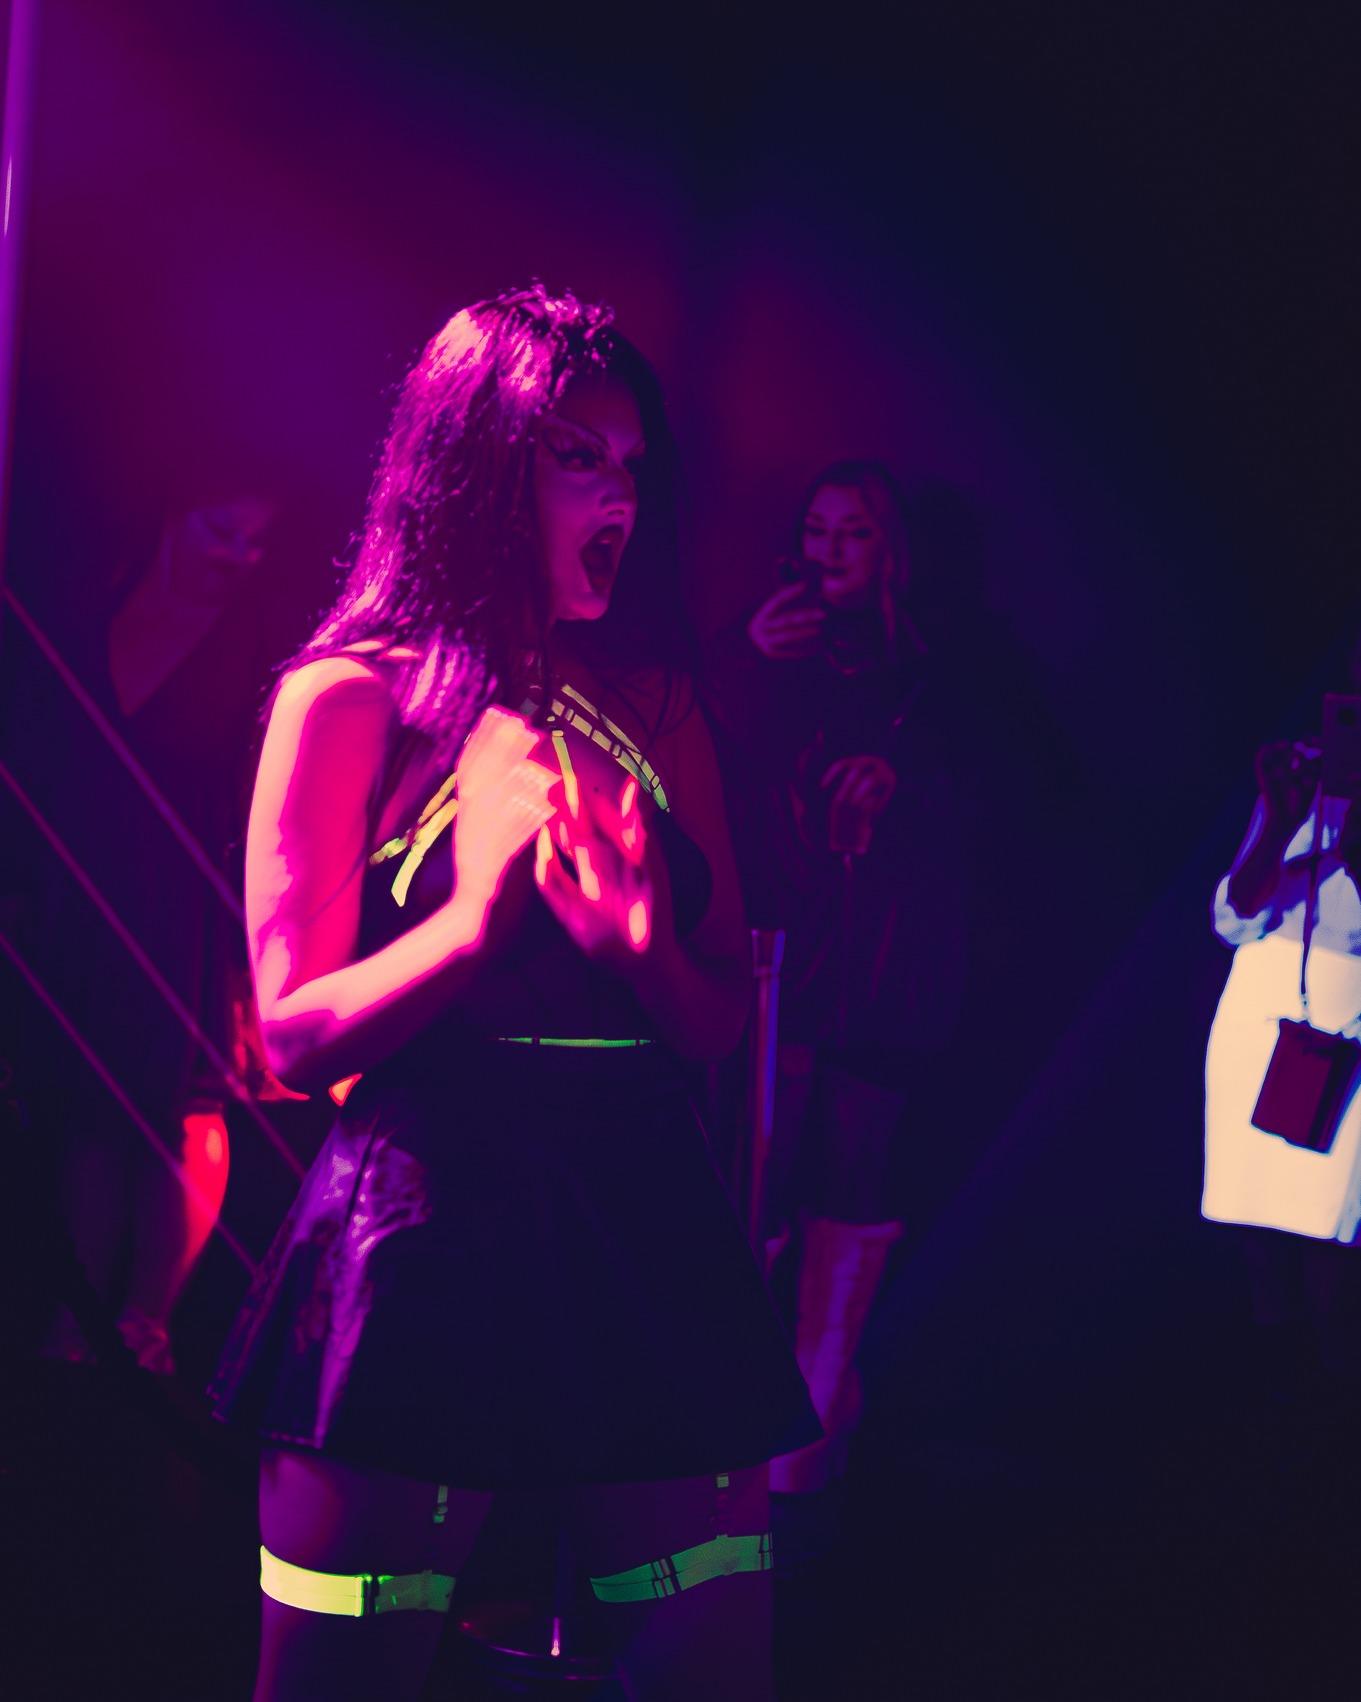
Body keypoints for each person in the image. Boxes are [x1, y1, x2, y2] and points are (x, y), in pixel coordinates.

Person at [207, 285, 819, 1702]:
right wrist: (471, 927)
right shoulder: (347, 696)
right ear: (477, 467)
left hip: (642, 1203)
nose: (620, 496)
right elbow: (291, 1030)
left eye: (632, 464)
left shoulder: (659, 702)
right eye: (577, 457)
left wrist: (639, 953)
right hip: (426, 1217)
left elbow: (715, 1018)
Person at [706, 461, 965, 1504]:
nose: (826, 553)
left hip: (888, 951)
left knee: (853, 1171)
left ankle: (813, 1413)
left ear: (889, 546)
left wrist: (908, 781)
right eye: (815, 530)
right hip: (791, 938)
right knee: (760, 1167)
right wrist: (745, 659)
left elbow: (1007, 786)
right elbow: (708, 761)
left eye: (850, 532)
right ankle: (739, 1403)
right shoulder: (768, 643)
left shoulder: (936, 667)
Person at [1204, 732, 1361, 1386]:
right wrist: (1278, 815)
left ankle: (1339, 1391)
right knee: (1258, 1221)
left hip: (1348, 1021)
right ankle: (1278, 1381)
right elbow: (1234, 918)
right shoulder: (1306, 774)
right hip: (1261, 1009)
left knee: (1332, 1231)